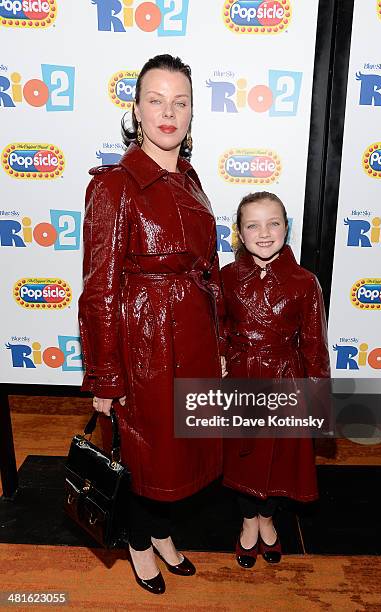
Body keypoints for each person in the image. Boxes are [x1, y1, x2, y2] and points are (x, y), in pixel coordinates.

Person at [78, 54, 227, 595]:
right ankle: (139, 544)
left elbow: (205, 269)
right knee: (145, 452)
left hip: (194, 339)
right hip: (145, 344)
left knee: (181, 451)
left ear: (191, 113)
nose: (169, 112)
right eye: (156, 100)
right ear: (136, 109)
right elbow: (98, 290)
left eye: (180, 101)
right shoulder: (115, 185)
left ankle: (163, 534)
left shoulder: (189, 177)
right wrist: (105, 379)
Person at [221, 191, 330, 568]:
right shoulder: (225, 278)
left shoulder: (304, 282)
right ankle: (248, 521)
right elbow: (216, 330)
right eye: (253, 225)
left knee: (278, 463)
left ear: (287, 228)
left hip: (286, 382)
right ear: (239, 232)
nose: (264, 233)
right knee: (241, 461)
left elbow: (315, 347)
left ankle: (268, 519)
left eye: (274, 223)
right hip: (240, 380)